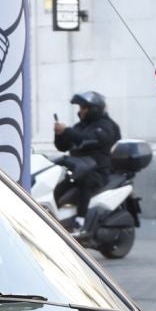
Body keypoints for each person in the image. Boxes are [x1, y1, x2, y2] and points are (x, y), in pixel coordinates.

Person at [51, 90, 121, 225]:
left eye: (84, 108)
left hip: (98, 171)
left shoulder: (106, 126)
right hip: (78, 169)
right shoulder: (80, 126)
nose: (81, 111)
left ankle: (80, 220)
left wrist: (67, 131)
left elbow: (86, 141)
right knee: (57, 189)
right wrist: (59, 134)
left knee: (86, 182)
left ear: (94, 109)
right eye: (80, 108)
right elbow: (64, 146)